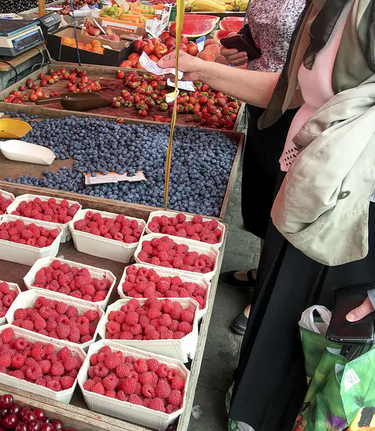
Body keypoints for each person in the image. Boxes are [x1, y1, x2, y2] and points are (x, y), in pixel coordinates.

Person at [159, 0, 375, 429]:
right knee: (278, 312)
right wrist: (201, 70)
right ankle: (251, 408)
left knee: (319, 342)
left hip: (353, 214)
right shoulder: (328, 7)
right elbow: (292, 91)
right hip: (303, 189)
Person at [217, 0, 305, 335]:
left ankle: (267, 295)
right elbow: (262, 28)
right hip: (258, 98)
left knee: (285, 200)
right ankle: (261, 269)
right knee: (261, 188)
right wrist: (242, 45)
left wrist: (207, 70)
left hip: (295, 107)